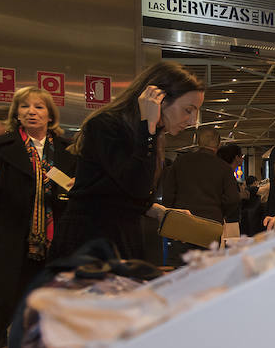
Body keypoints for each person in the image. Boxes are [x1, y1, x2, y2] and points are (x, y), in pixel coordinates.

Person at [50, 61, 204, 261]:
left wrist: (160, 212)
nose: (193, 121)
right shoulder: (106, 126)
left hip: (120, 239)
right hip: (89, 243)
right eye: (188, 110)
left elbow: (121, 193)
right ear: (160, 101)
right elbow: (135, 185)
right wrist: (147, 127)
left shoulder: (151, 134)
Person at [0, 88, 76, 348]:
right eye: (24, 106)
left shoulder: (69, 149)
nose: (31, 111)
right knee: (0, 302)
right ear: (17, 113)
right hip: (13, 237)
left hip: (56, 239)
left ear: (50, 115)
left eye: (38, 106)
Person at [161, 127, 240, 266]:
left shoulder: (180, 162)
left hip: (182, 226)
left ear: (197, 142)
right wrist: (220, 213)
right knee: (207, 271)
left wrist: (173, 214)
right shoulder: (223, 168)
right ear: (218, 144)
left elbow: (168, 194)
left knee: (181, 270)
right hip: (210, 226)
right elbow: (233, 199)